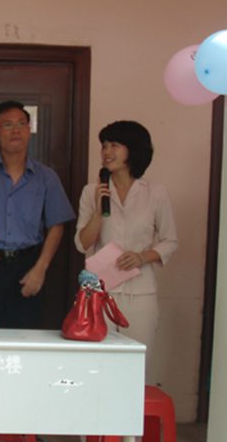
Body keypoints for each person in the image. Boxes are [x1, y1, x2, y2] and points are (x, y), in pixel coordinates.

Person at [0, 100, 75, 329]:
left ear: (29, 131)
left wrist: (41, 269)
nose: (16, 130)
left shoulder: (46, 177)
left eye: (22, 124)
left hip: (28, 266)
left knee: (24, 337)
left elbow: (57, 225)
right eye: (8, 125)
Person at [74, 120, 177, 379]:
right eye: (104, 145)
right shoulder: (91, 191)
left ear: (133, 149)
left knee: (136, 367)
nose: (107, 151)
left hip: (141, 293)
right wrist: (98, 211)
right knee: (99, 367)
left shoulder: (155, 192)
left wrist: (142, 257)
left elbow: (170, 240)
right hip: (100, 291)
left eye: (115, 145)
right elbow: (81, 243)